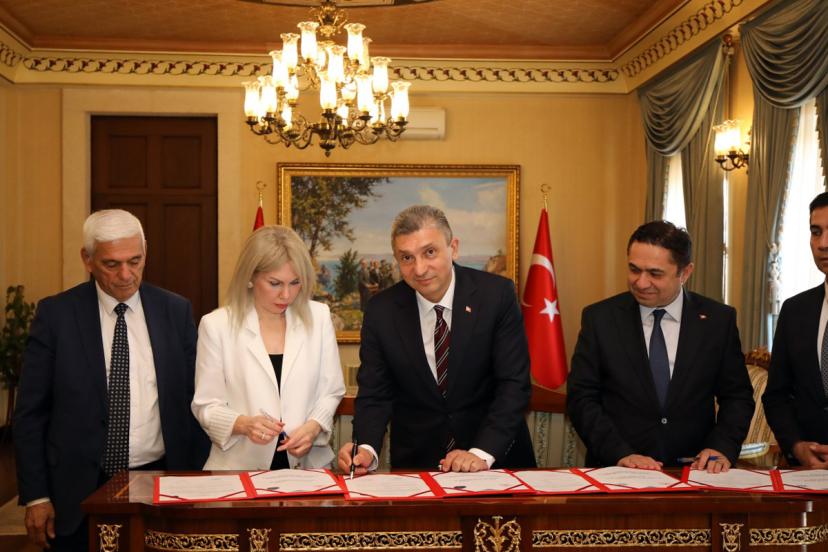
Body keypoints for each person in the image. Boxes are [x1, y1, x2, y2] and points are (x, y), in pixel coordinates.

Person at [14, 209, 209, 551]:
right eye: (111, 264)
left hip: (162, 482)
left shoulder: (175, 311)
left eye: (135, 261)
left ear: (146, 253)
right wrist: (37, 496)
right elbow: (31, 413)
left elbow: (195, 399)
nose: (126, 275)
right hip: (76, 490)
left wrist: (198, 482)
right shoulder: (57, 315)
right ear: (87, 260)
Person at [338, 205, 535, 475]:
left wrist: (480, 453)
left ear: (453, 248)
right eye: (406, 258)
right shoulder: (381, 311)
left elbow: (513, 385)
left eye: (429, 252)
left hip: (496, 460)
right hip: (418, 466)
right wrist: (366, 449)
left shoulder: (496, 295)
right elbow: (375, 392)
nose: (419, 269)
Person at [566, 220, 754, 472]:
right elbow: (581, 398)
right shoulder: (600, 319)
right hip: (619, 470)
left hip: (695, 471)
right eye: (634, 269)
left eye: (655, 274)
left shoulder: (718, 321)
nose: (641, 282)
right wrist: (620, 453)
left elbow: (737, 397)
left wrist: (721, 446)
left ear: (685, 273)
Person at [192, 225, 345, 470]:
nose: (286, 295)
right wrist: (243, 424)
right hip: (238, 468)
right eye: (275, 283)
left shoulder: (319, 317)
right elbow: (206, 406)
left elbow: (331, 391)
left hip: (307, 467)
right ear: (250, 277)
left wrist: (313, 426)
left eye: (295, 283)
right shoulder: (217, 325)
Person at [763, 192, 828, 468]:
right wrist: (797, 447)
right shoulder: (795, 310)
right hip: (804, 473)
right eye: (816, 232)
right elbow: (776, 395)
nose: (823, 244)